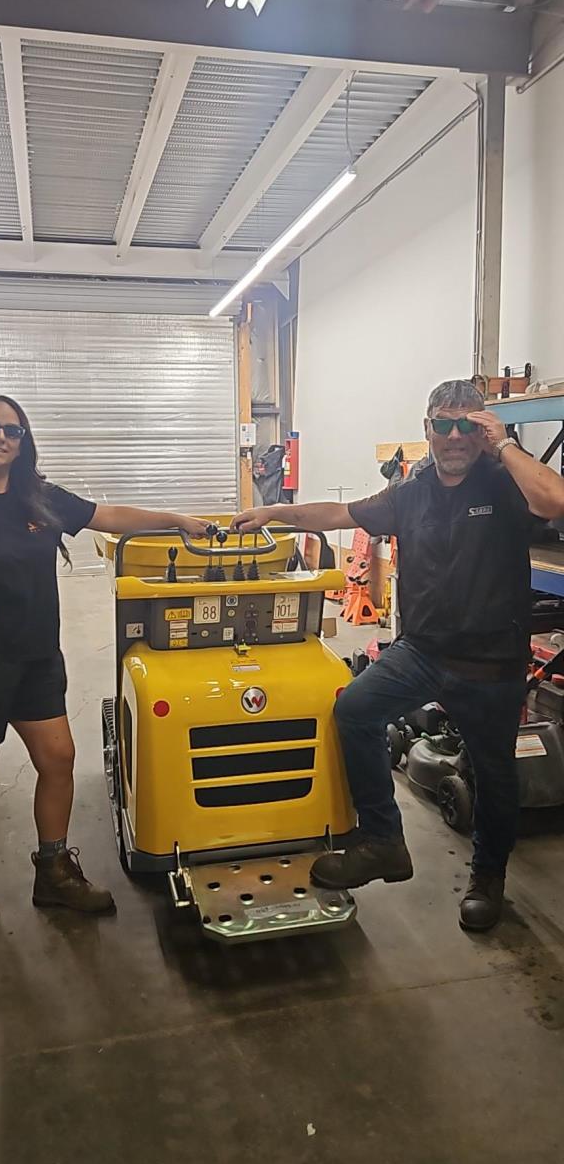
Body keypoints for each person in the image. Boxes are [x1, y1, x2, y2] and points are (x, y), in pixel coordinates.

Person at [233, 380, 564, 931]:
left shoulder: (505, 481)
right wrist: (275, 513)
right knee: (355, 710)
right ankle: (384, 841)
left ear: (483, 430)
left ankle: (488, 877)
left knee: (494, 774)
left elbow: (555, 500)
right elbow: (341, 513)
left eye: (468, 425)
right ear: (427, 428)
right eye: (444, 424)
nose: (454, 436)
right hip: (423, 651)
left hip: (490, 663)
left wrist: (504, 444)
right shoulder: (412, 491)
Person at [0, 395, 209, 930]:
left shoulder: (40, 498)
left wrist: (176, 520)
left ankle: (53, 872)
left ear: (23, 442)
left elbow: (108, 516)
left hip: (36, 657)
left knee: (58, 759)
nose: (1, 436)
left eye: (13, 430)